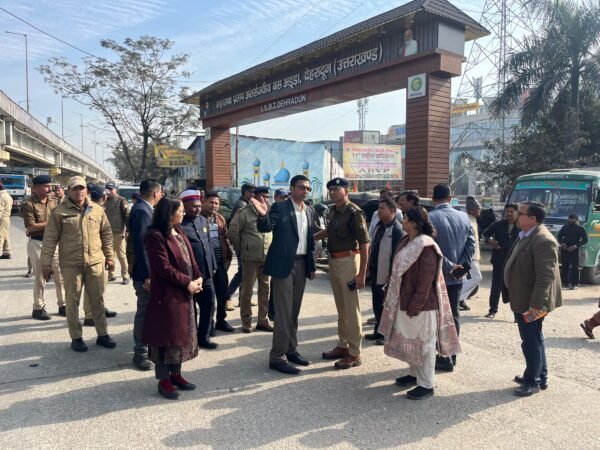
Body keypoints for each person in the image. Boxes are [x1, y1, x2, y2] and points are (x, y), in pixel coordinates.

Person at [380, 206, 460, 400]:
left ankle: (426, 385)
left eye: (405, 218)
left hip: (422, 306)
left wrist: (416, 304)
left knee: (424, 344)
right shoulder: (406, 240)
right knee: (410, 342)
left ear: (414, 224)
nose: (402, 220)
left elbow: (425, 280)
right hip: (404, 300)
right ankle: (414, 374)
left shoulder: (426, 246)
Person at [41, 176, 116, 352]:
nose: (79, 192)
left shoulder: (97, 210)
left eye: (81, 188)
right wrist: (46, 265)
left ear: (86, 190)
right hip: (71, 264)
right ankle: (76, 337)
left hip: (94, 263)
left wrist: (110, 257)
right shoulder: (59, 212)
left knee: (97, 300)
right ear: (68, 191)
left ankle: (103, 334)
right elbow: (50, 239)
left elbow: (106, 234)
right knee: (72, 302)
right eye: (75, 188)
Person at [254, 175, 317, 375]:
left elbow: (310, 240)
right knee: (283, 312)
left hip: (302, 263)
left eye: (308, 188)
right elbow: (265, 227)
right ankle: (277, 356)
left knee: (294, 310)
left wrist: (312, 265)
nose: (305, 191)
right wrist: (263, 215)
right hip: (283, 265)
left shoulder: (309, 210)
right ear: (292, 188)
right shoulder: (280, 207)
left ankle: (291, 349)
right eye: (301, 187)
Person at [143, 196, 203, 400]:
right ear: (169, 214)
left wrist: (198, 276)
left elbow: (191, 258)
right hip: (167, 296)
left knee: (180, 338)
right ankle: (164, 380)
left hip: (184, 295)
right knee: (165, 339)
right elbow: (163, 267)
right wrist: (187, 282)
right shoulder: (155, 235)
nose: (183, 213)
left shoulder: (179, 230)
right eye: (180, 211)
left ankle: (176, 374)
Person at [504, 201, 562, 396]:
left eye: (520, 213)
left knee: (530, 341)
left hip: (532, 302)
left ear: (532, 219)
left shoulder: (543, 240)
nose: (516, 215)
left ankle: (533, 381)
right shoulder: (527, 234)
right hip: (523, 298)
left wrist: (535, 305)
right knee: (534, 338)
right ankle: (539, 375)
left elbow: (546, 277)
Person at [315, 177, 370, 370]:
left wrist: (362, 273)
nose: (332, 192)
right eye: (330, 189)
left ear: (346, 191)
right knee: (342, 308)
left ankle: (355, 353)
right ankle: (343, 345)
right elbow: (328, 232)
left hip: (348, 261)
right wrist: (309, 238)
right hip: (334, 261)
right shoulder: (332, 210)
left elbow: (365, 243)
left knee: (351, 309)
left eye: (336, 189)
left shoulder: (355, 212)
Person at [428, 183, 475, 372]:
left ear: (433, 198)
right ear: (450, 197)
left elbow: (431, 248)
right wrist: (460, 267)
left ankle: (442, 355)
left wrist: (449, 266)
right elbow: (471, 245)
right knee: (453, 315)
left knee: (437, 316)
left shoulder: (430, 217)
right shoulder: (464, 217)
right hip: (457, 277)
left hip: (437, 275)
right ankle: (451, 356)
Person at [180, 189, 228, 349]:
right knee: (190, 308)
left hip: (206, 273)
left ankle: (204, 336)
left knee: (209, 304)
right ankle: (189, 337)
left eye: (199, 206)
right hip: (188, 275)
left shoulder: (202, 220)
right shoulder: (179, 224)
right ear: (184, 206)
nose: (197, 209)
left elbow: (208, 246)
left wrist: (213, 266)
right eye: (194, 206)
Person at [128, 179, 163, 371]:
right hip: (145, 274)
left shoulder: (144, 208)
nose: (161, 196)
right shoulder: (142, 211)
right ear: (155, 192)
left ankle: (148, 347)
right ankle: (140, 353)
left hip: (147, 271)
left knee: (150, 311)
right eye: (161, 193)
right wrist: (149, 274)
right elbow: (142, 246)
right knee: (144, 312)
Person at [228, 186, 273, 333]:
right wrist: (241, 249)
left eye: (267, 197)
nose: (265, 199)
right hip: (250, 258)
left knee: (265, 290)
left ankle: (263, 320)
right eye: (262, 196)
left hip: (266, 257)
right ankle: (246, 321)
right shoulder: (244, 212)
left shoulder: (268, 211)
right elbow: (233, 232)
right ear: (254, 197)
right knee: (247, 291)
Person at [21, 175, 66, 320]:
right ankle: (38, 307)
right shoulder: (28, 204)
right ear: (35, 188)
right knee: (41, 276)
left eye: (50, 185)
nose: (49, 188)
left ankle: (63, 305)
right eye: (46, 186)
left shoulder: (55, 201)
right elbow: (31, 227)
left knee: (60, 274)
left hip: (54, 242)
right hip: (37, 242)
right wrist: (53, 222)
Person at [365, 197, 404, 345]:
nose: (379, 211)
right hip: (376, 272)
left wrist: (391, 276)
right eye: (379, 208)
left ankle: (387, 334)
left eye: (382, 208)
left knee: (387, 305)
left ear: (392, 210)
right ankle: (379, 330)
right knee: (377, 303)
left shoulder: (397, 230)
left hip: (387, 276)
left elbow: (397, 256)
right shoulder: (379, 226)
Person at [82, 185, 117, 326]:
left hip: (97, 252)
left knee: (99, 285)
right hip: (95, 254)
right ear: (104, 197)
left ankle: (98, 309)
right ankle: (90, 315)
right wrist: (109, 256)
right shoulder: (92, 210)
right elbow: (104, 235)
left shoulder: (95, 209)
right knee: (94, 286)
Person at [201, 191, 235, 324]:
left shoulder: (220, 218)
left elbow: (225, 238)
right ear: (204, 202)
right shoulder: (198, 219)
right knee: (208, 296)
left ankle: (221, 320)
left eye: (216, 203)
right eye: (211, 202)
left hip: (220, 260)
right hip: (205, 262)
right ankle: (208, 325)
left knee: (222, 292)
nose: (213, 205)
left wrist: (229, 254)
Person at [482, 204, 519, 319]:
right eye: (507, 211)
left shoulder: (521, 226)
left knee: (515, 288)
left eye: (511, 211)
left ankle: (517, 314)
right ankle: (492, 310)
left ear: (517, 213)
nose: (509, 213)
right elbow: (486, 234)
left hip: (515, 261)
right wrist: (491, 241)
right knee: (496, 286)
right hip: (499, 260)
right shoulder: (498, 224)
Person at [226, 183, 256, 305]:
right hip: (242, 245)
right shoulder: (241, 206)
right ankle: (227, 296)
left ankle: (243, 299)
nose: (254, 195)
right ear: (247, 193)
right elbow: (235, 228)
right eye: (253, 193)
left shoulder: (246, 204)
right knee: (242, 272)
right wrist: (238, 246)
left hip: (246, 244)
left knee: (246, 273)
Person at [458, 197, 483, 311]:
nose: (480, 211)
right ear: (473, 210)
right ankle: (456, 297)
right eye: (478, 209)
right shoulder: (466, 220)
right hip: (469, 255)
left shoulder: (473, 219)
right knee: (477, 277)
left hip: (474, 255)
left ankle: (460, 300)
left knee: (463, 279)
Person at [104, 182, 130, 284]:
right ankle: (111, 274)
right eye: (108, 189)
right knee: (109, 255)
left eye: (111, 189)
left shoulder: (121, 200)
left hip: (118, 232)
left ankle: (125, 275)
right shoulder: (104, 200)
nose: (109, 191)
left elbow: (127, 216)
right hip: (107, 233)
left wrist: (127, 230)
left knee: (121, 255)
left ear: (115, 189)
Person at [557, 213, 588, 290]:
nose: (571, 220)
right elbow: (559, 236)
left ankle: (574, 284)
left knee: (575, 267)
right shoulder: (565, 227)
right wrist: (562, 243)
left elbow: (585, 240)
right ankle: (565, 283)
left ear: (577, 220)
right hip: (565, 249)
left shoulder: (581, 228)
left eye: (573, 219)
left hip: (575, 250)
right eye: (570, 219)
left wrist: (575, 246)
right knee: (565, 266)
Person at [0, 182, 13, 259]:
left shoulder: (1, 197)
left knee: (0, 236)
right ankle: (7, 252)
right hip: (7, 218)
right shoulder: (8, 196)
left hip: (2, 218)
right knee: (5, 235)